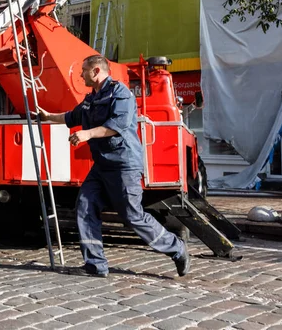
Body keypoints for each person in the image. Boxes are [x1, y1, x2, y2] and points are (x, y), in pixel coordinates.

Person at [39, 55, 190, 278]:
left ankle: (177, 248)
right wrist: (48, 116)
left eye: (84, 70)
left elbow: (116, 126)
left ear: (96, 71)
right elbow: (73, 116)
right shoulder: (92, 97)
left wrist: (87, 133)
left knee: (132, 216)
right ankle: (95, 265)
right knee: (85, 206)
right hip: (102, 165)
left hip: (123, 165)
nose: (81, 75)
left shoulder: (121, 94)